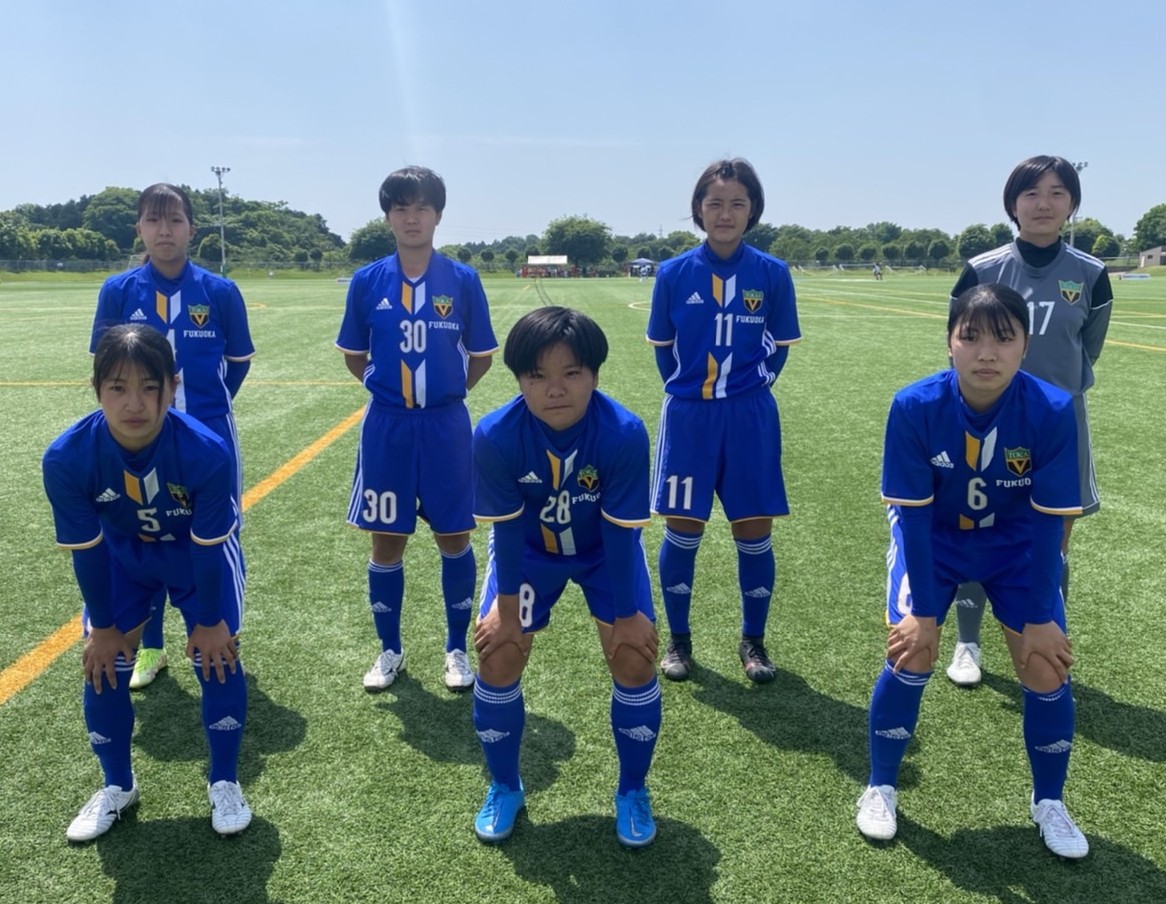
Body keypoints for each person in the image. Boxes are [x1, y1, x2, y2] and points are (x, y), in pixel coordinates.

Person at [856, 284, 1087, 859]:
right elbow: (912, 515)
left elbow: (1047, 524)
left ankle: (1050, 802)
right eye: (972, 336)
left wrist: (1039, 617)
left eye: (1004, 338)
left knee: (1044, 662)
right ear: (949, 343)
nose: (987, 352)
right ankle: (881, 785)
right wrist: (924, 613)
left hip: (1016, 546)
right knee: (912, 651)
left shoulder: (1054, 409)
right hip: (935, 540)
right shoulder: (914, 405)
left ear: (1025, 345)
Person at [43, 324, 252, 842]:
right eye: (118, 387)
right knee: (104, 662)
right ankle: (117, 786)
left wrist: (208, 622)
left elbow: (207, 547)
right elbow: (89, 552)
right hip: (122, 555)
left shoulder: (206, 452)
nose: (134, 403)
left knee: (217, 656)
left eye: (149, 387)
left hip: (194, 556)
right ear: (97, 389)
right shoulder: (67, 458)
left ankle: (224, 781)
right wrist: (104, 628)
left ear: (173, 387)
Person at [470, 307, 661, 848]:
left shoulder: (623, 432)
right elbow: (507, 531)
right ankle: (505, 786)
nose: (555, 389)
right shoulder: (496, 435)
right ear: (519, 380)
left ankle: (632, 790)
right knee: (498, 652)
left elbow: (621, 534)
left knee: (634, 656)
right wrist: (508, 612)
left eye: (571, 373)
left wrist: (627, 616)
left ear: (595, 375)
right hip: (531, 553)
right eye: (538, 376)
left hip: (603, 554)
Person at [944, 156, 1113, 687]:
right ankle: (967, 644)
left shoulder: (1092, 275)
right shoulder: (981, 270)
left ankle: (1044, 643)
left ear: (1072, 204)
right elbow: (958, 344)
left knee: (1054, 537)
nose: (1044, 204)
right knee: (976, 529)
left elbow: (1088, 348)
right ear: (1012, 204)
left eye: (1058, 193)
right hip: (985, 423)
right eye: (1032, 193)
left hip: (1059, 427)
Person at [336, 166, 497, 691]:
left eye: (422, 207)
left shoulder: (463, 280)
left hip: (447, 427)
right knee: (387, 543)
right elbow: (354, 354)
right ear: (387, 216)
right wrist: (388, 390)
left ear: (438, 215)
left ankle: (456, 649)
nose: (412, 217)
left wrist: (447, 393)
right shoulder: (367, 281)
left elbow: (481, 356)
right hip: (388, 428)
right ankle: (390, 649)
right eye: (401, 208)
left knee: (454, 537)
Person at [90, 183, 254, 690]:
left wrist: (202, 413)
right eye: (154, 220)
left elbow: (238, 364)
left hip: (209, 440)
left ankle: (217, 633)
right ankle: (152, 647)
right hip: (136, 442)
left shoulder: (220, 292)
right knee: (143, 531)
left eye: (175, 220)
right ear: (139, 228)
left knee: (212, 534)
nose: (165, 230)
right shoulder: (118, 291)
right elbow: (106, 366)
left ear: (192, 229)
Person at [646, 158, 801, 683]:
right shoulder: (673, 274)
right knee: (683, 529)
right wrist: (689, 389)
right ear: (698, 209)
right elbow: (663, 348)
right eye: (715, 203)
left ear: (752, 209)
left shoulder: (772, 274)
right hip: (689, 418)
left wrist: (753, 387)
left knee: (753, 531)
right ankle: (679, 639)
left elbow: (781, 346)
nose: (725, 213)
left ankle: (753, 640)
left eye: (737, 203)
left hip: (750, 417)